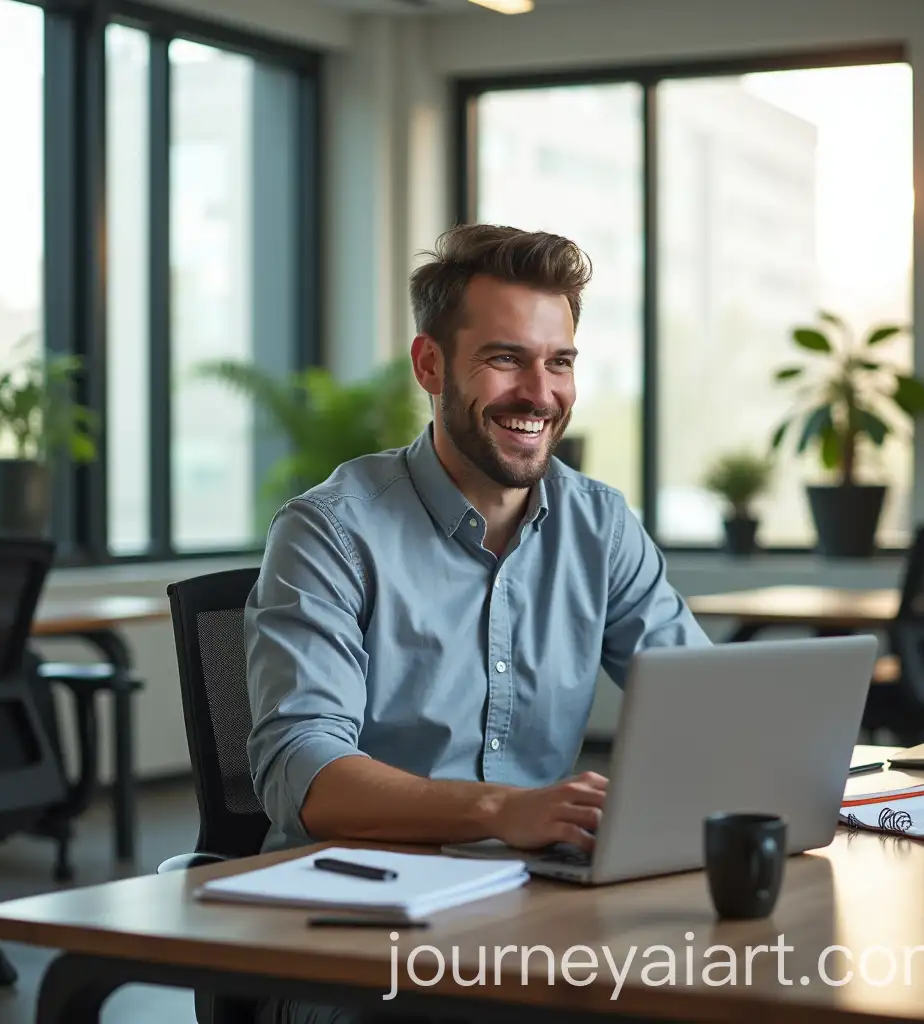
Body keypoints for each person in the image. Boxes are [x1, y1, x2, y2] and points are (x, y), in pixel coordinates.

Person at [246, 223, 711, 1024]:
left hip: (540, 912)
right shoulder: (330, 531)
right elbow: (304, 772)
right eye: (505, 359)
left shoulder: (599, 525)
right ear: (431, 365)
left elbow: (707, 702)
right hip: (360, 935)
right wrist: (502, 811)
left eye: (558, 361)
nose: (539, 393)